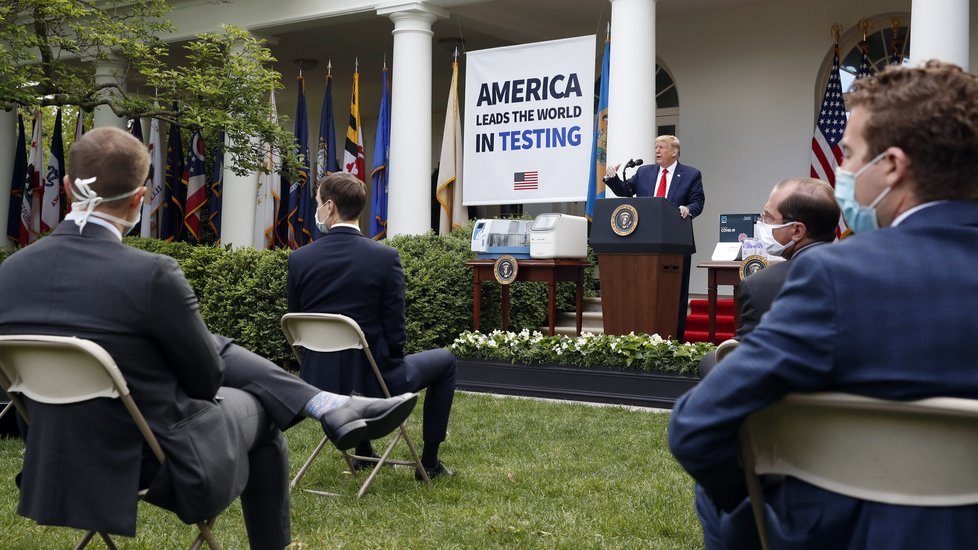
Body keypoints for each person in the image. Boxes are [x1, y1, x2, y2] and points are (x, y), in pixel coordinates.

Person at [0, 127, 418, 550]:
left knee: (205, 343)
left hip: (56, 456)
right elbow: (205, 382)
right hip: (153, 458)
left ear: (68, 188)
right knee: (262, 409)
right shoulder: (150, 276)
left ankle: (327, 403)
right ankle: (324, 407)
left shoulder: (9, 274)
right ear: (140, 198)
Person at [669, 60, 978, 549]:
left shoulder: (838, 275)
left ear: (893, 166)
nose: (841, 172)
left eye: (849, 155)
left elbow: (696, 426)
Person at [287, 172, 458, 480]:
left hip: (317, 383)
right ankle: (429, 464)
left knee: (357, 361)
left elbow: (296, 320)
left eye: (317, 203)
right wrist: (392, 363)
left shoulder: (300, 259)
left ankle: (364, 453)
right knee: (446, 361)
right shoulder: (384, 257)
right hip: (375, 384)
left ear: (329, 207)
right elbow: (395, 329)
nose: (316, 210)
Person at [696, 177, 839, 378]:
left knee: (711, 360)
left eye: (767, 218)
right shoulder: (869, 275)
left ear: (797, 230)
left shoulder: (761, 285)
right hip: (855, 395)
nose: (761, 224)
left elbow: (746, 363)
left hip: (787, 397)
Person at [604, 135, 705, 339]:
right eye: (655, 147)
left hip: (676, 243)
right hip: (645, 244)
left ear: (674, 151)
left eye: (661, 147)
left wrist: (688, 209)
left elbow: (698, 201)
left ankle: (674, 338)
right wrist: (614, 178)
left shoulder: (691, 174)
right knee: (644, 291)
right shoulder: (644, 172)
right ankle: (641, 334)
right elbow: (626, 191)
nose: (657, 151)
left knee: (675, 294)